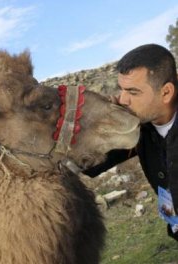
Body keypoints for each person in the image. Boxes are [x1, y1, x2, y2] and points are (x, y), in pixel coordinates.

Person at [84, 43, 178, 241]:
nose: (123, 99)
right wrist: (102, 118)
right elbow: (91, 164)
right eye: (121, 89)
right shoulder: (139, 128)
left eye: (133, 92)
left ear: (166, 92)